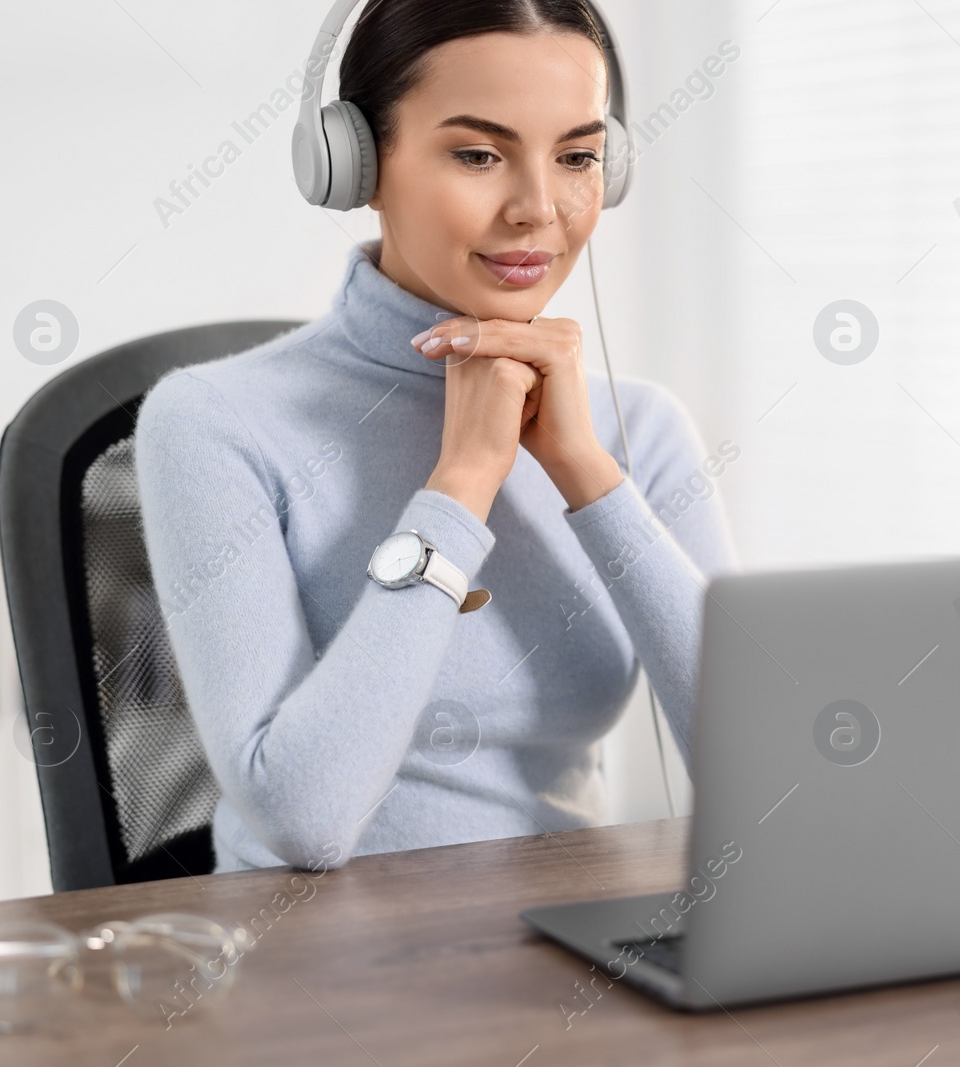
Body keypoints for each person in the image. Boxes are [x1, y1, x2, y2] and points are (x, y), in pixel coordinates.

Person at [134, 0, 736, 873]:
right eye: (479, 154)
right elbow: (306, 820)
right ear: (355, 164)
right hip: (319, 973)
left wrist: (590, 478)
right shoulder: (213, 423)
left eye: (576, 157)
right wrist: (461, 484)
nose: (538, 209)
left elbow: (773, 776)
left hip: (570, 960)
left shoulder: (638, 428)